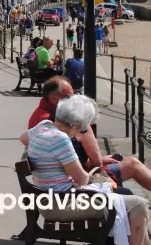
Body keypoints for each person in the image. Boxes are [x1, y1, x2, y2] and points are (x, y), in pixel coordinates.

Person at [24, 95, 149, 245]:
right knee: (138, 205)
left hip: (49, 198)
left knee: (127, 200)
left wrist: (46, 159)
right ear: (76, 125)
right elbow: (82, 179)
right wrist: (97, 178)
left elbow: (23, 138)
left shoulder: (43, 126)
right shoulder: (61, 140)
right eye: (83, 129)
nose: (80, 134)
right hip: (62, 204)